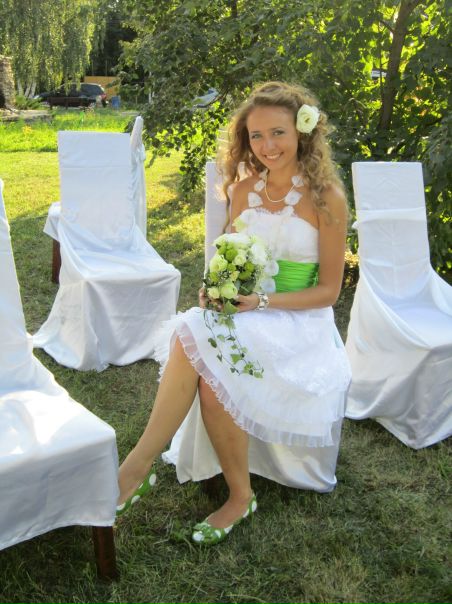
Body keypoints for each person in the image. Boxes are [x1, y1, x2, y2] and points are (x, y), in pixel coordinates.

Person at [117, 81, 351, 545]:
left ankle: (139, 472)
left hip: (298, 319)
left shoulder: (327, 198)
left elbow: (328, 292)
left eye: (278, 133)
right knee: (197, 340)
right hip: (245, 310)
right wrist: (214, 289)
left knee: (197, 343)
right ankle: (216, 488)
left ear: (303, 132)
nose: (268, 146)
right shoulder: (243, 190)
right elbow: (227, 259)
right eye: (256, 135)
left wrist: (261, 302)